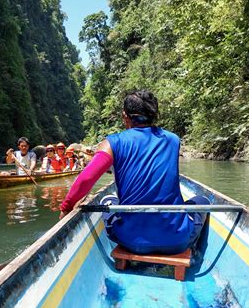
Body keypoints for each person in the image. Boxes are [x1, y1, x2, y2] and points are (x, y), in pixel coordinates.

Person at [58, 90, 209, 255]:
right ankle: (195, 252)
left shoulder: (111, 143)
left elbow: (86, 179)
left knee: (109, 199)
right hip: (176, 241)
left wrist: (66, 208)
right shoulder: (173, 139)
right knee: (203, 200)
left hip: (130, 241)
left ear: (125, 116)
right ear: (154, 114)